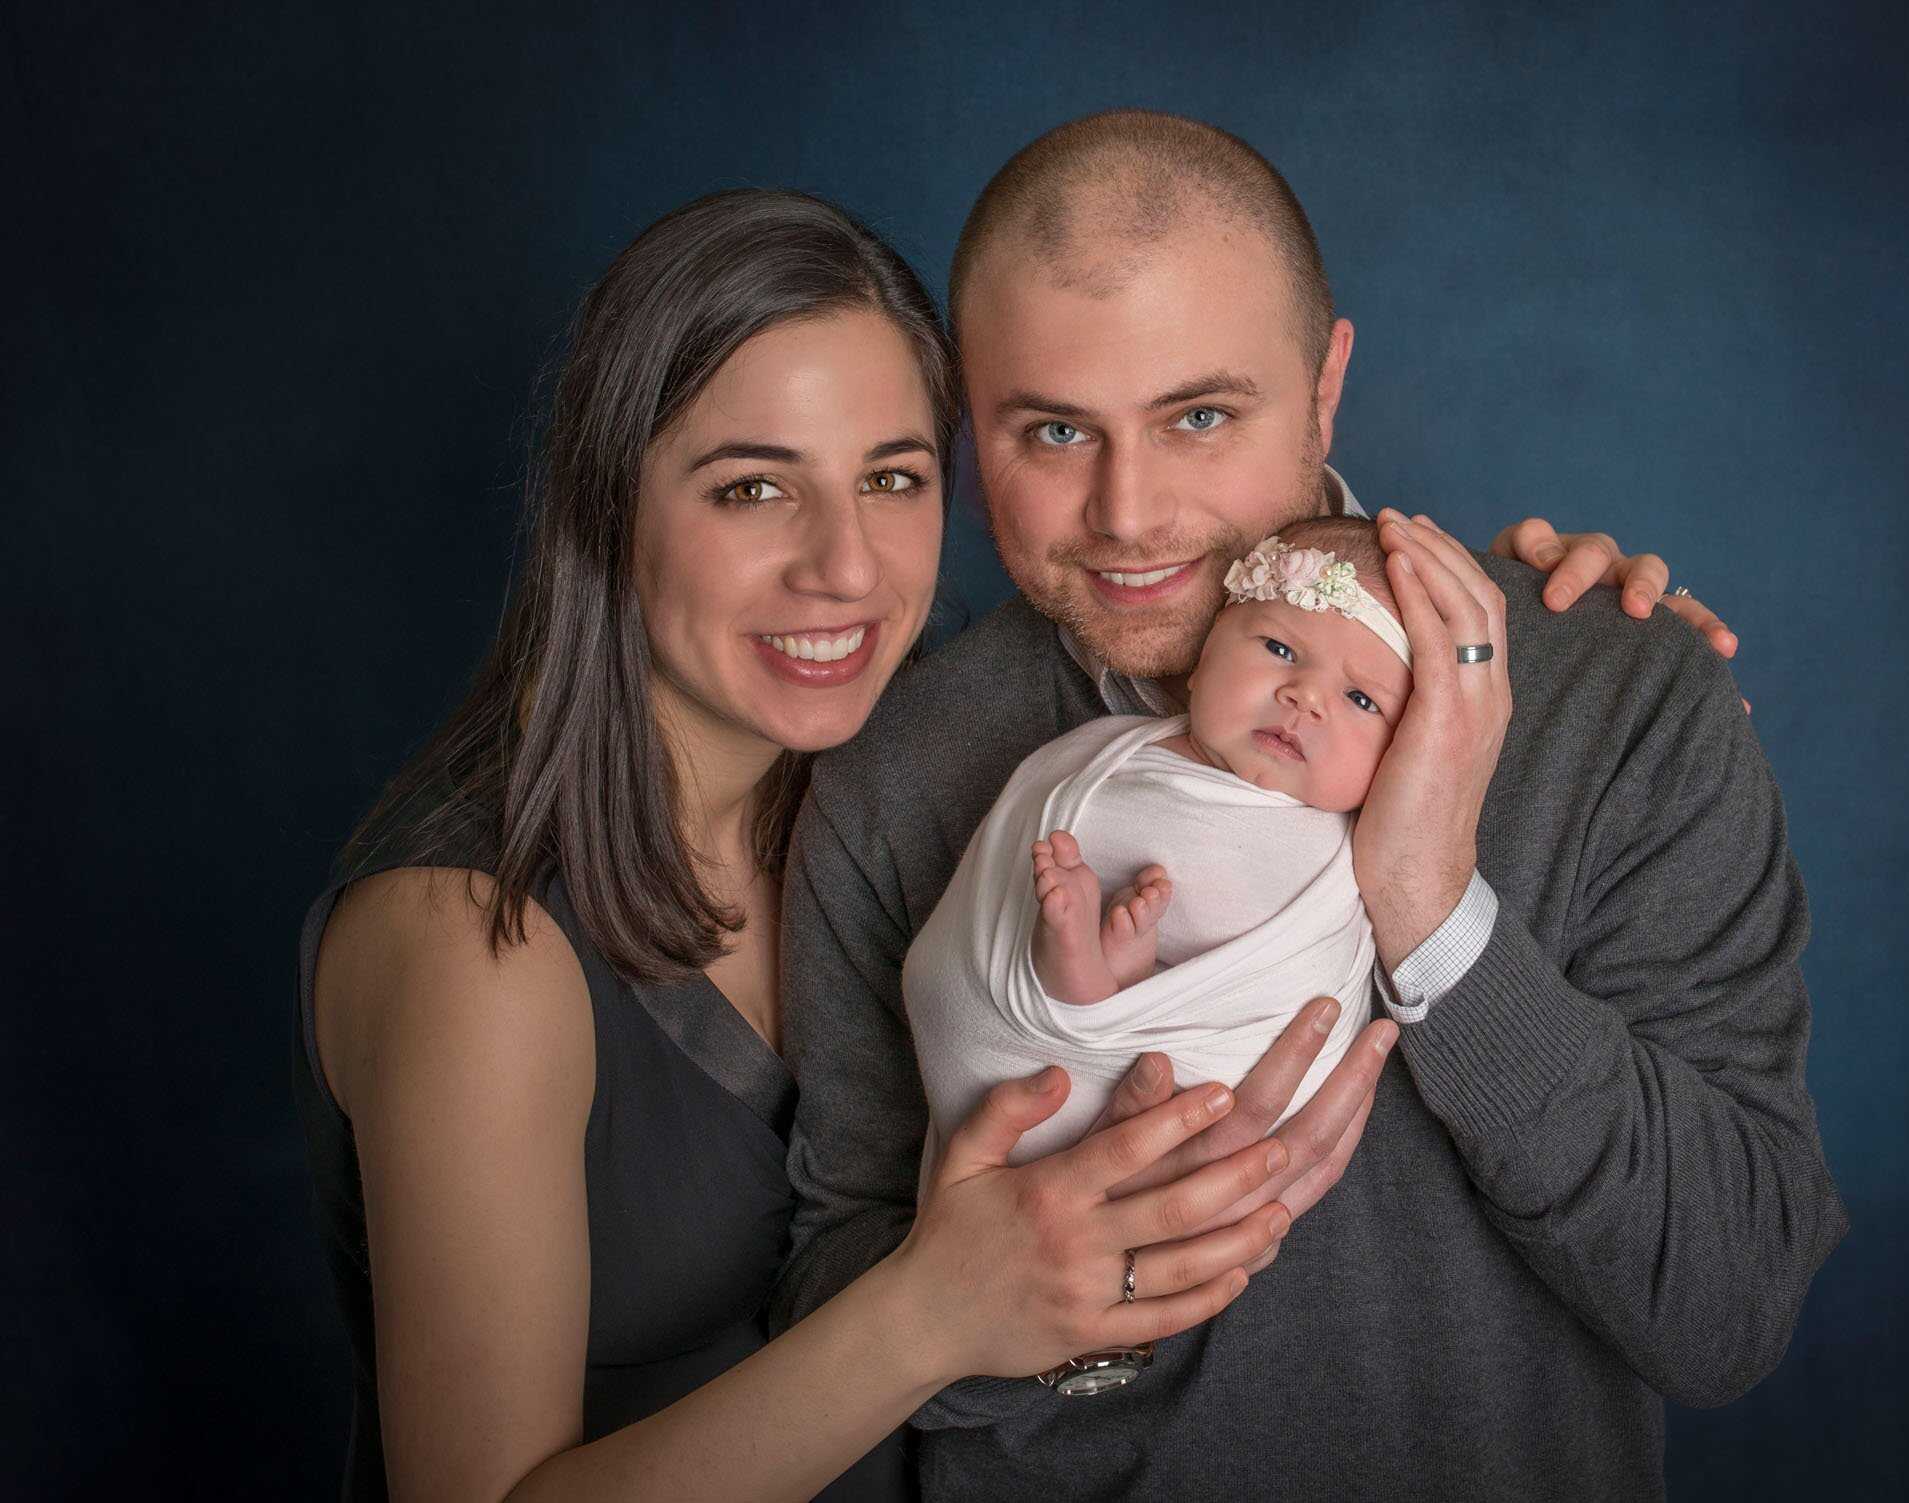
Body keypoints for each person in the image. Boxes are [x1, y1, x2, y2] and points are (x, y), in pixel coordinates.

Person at [293, 186, 1682, 1501]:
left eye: (891, 477)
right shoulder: (469, 940)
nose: (845, 566)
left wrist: (1567, 646)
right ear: (608, 500)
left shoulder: (874, 778)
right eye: (751, 489)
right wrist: (935, 1312)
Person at [777, 111, 1850, 1501]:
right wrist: (1049, 1317)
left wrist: (1437, 915)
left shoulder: (1611, 690)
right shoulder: (898, 768)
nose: (1127, 512)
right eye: (1052, 430)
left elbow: (1730, 1305)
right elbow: (837, 1309)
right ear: (968, 422)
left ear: (1326, 385)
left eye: (1200, 416)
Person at [908, 518, 1412, 1168]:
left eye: (1361, 699)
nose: (1305, 697)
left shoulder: (1347, 845)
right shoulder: (1101, 754)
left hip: (1211, 1102)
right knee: (1101, 901)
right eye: (1280, 649)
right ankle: (1096, 971)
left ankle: (1101, 971)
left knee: (1139, 917)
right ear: (1204, 657)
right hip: (1004, 1088)